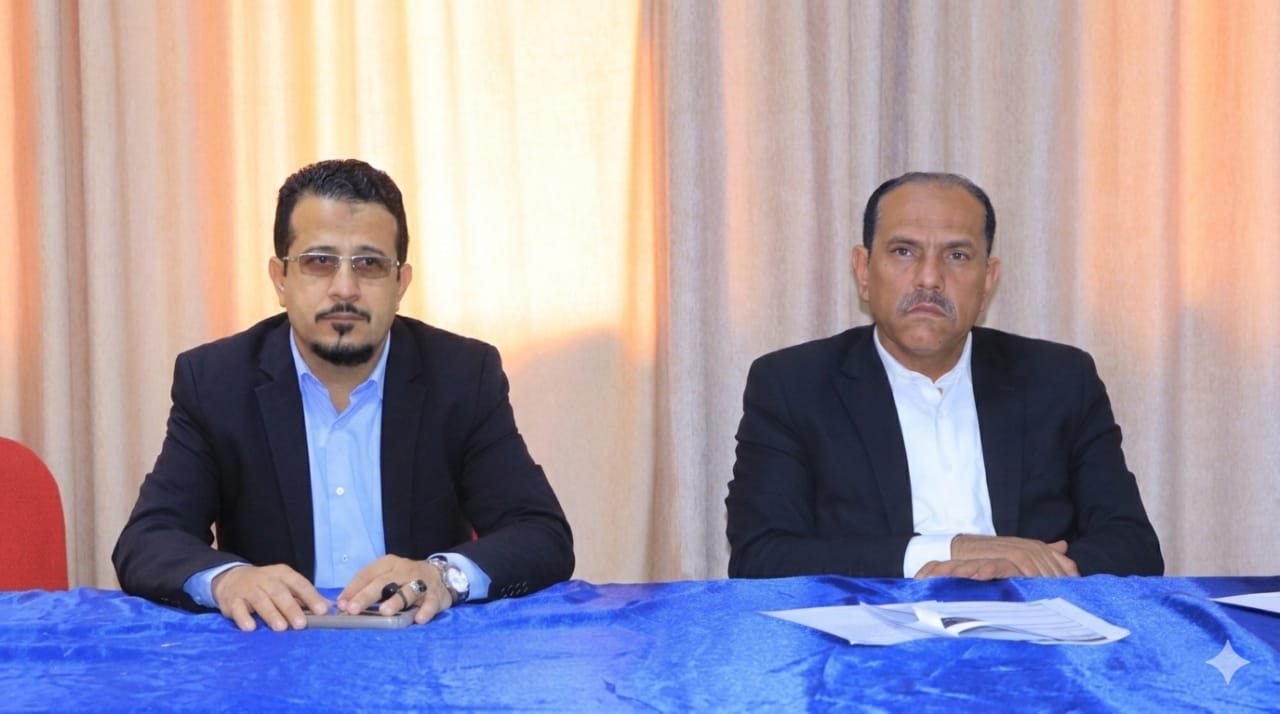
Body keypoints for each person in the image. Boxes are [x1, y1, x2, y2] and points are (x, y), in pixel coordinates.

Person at [114, 159, 574, 631]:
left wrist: (442, 576)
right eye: (319, 261)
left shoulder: (460, 376)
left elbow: (540, 533)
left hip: (420, 650)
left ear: (400, 284)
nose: (345, 288)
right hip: (274, 649)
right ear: (280, 279)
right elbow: (149, 539)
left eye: (369, 264)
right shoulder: (216, 382)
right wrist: (228, 580)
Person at [726, 171, 1162, 580]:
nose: (930, 279)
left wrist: (1024, 569)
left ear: (988, 279)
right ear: (863, 270)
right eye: (904, 251)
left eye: (957, 256)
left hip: (1029, 620)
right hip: (872, 626)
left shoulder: (1060, 380)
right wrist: (948, 550)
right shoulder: (792, 386)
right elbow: (761, 555)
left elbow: (1133, 546)